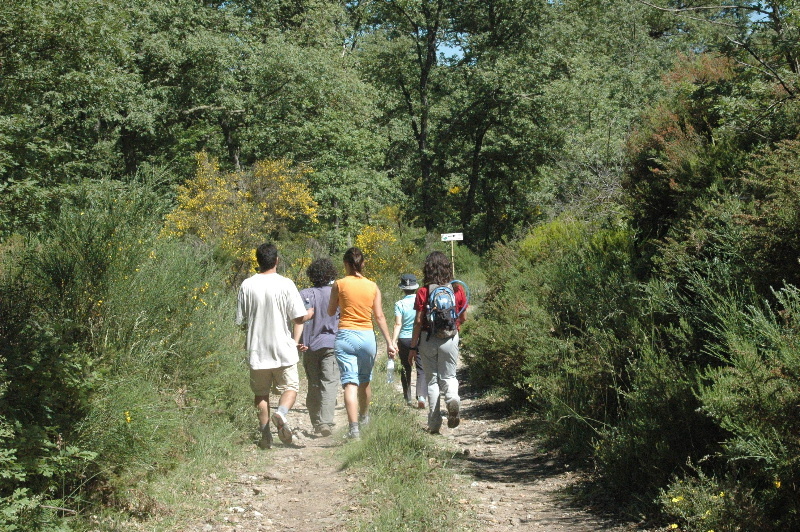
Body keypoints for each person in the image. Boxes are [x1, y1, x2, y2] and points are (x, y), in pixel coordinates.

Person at [236, 243, 308, 449]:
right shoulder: (286, 284)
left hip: (256, 349)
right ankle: (281, 413)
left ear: (257, 261)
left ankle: (265, 435)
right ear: (277, 260)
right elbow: (298, 316)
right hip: (282, 348)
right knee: (291, 387)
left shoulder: (246, 285)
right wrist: (309, 314)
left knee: (260, 394)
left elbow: (241, 321)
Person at [327, 247, 398, 441]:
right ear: (363, 263)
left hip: (345, 336)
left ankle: (354, 429)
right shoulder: (373, 286)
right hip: (367, 336)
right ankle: (365, 417)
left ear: (346, 264)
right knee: (364, 381)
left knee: (350, 383)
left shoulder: (339, 284)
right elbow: (380, 316)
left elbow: (331, 312)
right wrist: (390, 342)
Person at [409, 251, 468, 434]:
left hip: (428, 338)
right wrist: (452, 327)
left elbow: (418, 321)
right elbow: (463, 318)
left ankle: (434, 424)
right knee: (449, 377)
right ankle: (452, 398)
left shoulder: (423, 292)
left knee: (432, 380)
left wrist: (413, 346)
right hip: (450, 337)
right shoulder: (458, 289)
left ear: (428, 269)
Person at [298, 258, 340, 437]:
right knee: (329, 383)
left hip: (309, 346)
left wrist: (298, 342)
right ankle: (325, 422)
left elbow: (299, 320)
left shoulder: (304, 294)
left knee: (313, 384)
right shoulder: (337, 294)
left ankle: (316, 422)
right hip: (332, 344)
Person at [392, 273, 427, 409]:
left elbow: (398, 324)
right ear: (415, 287)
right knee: (421, 368)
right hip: (418, 338)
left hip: (404, 339)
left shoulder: (399, 304)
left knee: (405, 367)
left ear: (402, 288)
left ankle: (407, 397)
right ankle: (422, 396)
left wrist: (393, 341)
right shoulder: (421, 302)